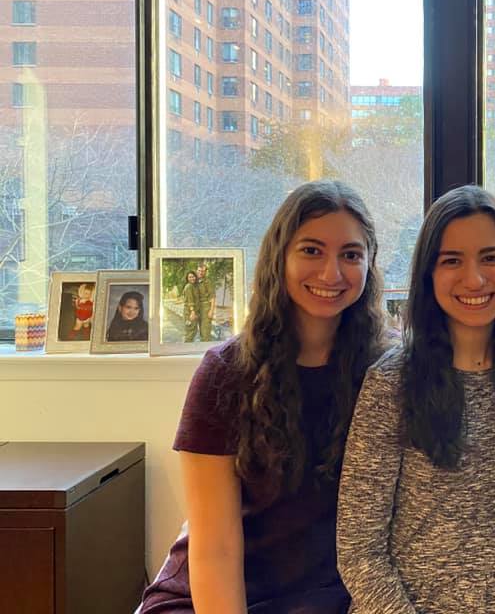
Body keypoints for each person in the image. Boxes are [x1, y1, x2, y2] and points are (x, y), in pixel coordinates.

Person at [139, 180, 386, 614]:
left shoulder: (386, 372)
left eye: (351, 255)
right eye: (311, 250)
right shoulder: (225, 374)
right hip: (216, 597)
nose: (331, 273)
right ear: (279, 257)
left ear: (369, 265)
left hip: (331, 600)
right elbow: (214, 549)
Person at [336, 185, 495, 614]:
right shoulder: (391, 384)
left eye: (491, 258)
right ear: (428, 275)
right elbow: (359, 551)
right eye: (452, 260)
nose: (474, 279)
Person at [195, 263, 216, 341]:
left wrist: (211, 311)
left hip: (206, 308)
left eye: (203, 271)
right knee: (201, 331)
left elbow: (212, 297)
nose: (200, 272)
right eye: (199, 270)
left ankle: (207, 345)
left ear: (205, 272)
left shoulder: (208, 282)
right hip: (198, 308)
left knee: (206, 332)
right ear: (197, 270)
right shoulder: (195, 281)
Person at [182, 271, 200, 343]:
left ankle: (187, 346)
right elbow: (190, 300)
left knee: (193, 331)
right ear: (187, 278)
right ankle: (186, 347)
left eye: (193, 276)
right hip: (189, 313)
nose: (192, 278)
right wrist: (192, 312)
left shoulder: (193, 286)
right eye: (190, 277)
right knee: (190, 332)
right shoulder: (189, 287)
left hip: (192, 312)